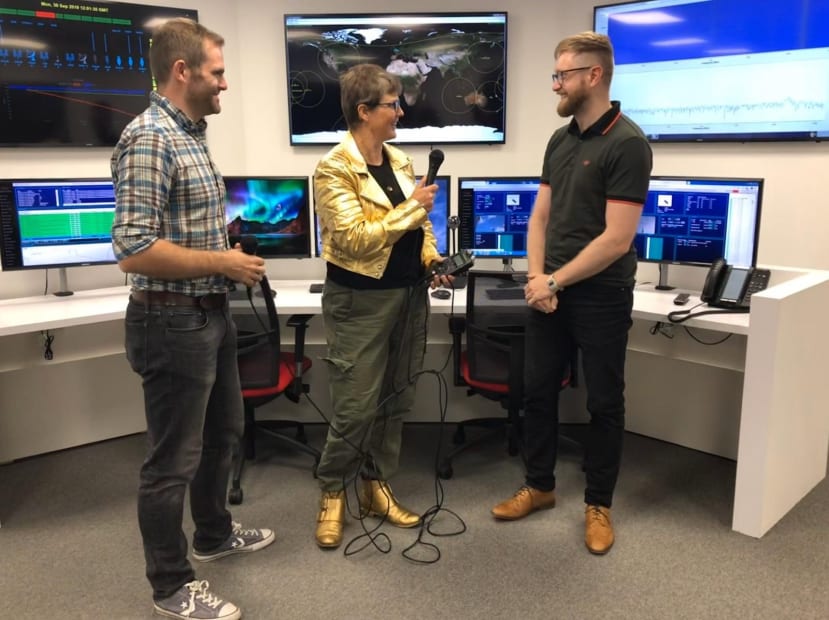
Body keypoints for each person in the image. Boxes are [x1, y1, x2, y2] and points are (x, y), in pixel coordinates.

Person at [111, 18, 274, 620]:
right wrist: (223, 262)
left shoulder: (191, 133)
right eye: (219, 71)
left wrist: (223, 256)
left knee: (222, 435)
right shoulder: (151, 137)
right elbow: (132, 248)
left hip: (209, 313)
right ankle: (171, 586)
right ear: (183, 71)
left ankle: (213, 535)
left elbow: (177, 228)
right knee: (171, 460)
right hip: (170, 322)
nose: (225, 84)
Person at [490, 32, 653, 555]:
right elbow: (539, 218)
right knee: (537, 391)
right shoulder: (560, 140)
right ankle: (539, 486)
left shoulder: (628, 143)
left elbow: (616, 239)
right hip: (550, 293)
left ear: (594, 75)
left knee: (604, 403)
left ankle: (598, 503)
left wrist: (555, 281)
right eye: (555, 74)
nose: (555, 84)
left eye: (562, 74)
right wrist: (537, 281)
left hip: (600, 296)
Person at [312, 63, 448, 549]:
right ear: (364, 111)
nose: (401, 111)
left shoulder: (399, 159)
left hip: (410, 294)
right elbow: (353, 240)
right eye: (392, 104)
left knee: (396, 397)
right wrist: (414, 207)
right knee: (356, 405)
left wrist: (433, 260)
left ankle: (376, 487)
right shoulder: (333, 168)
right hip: (360, 300)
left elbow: (420, 229)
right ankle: (332, 492)